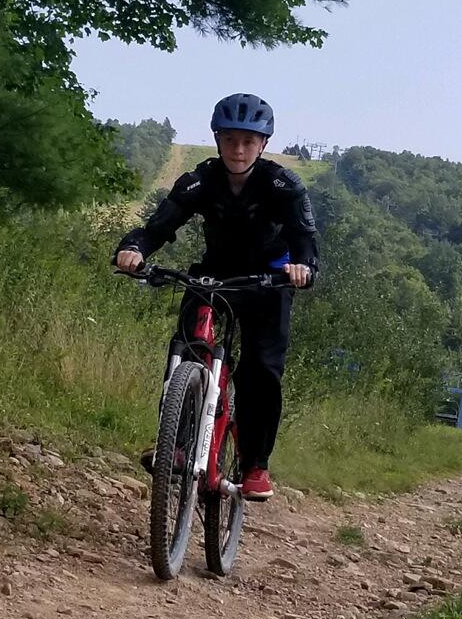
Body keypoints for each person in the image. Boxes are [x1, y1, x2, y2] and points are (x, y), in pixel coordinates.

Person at [114, 92, 318, 501]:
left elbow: (305, 239)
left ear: (262, 145)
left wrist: (302, 268)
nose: (238, 150)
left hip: (269, 280)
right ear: (217, 140)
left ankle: (255, 465)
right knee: (190, 347)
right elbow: (159, 225)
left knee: (260, 369)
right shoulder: (199, 181)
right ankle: (177, 442)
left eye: (248, 141)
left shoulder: (282, 184)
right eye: (229, 140)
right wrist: (134, 249)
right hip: (214, 275)